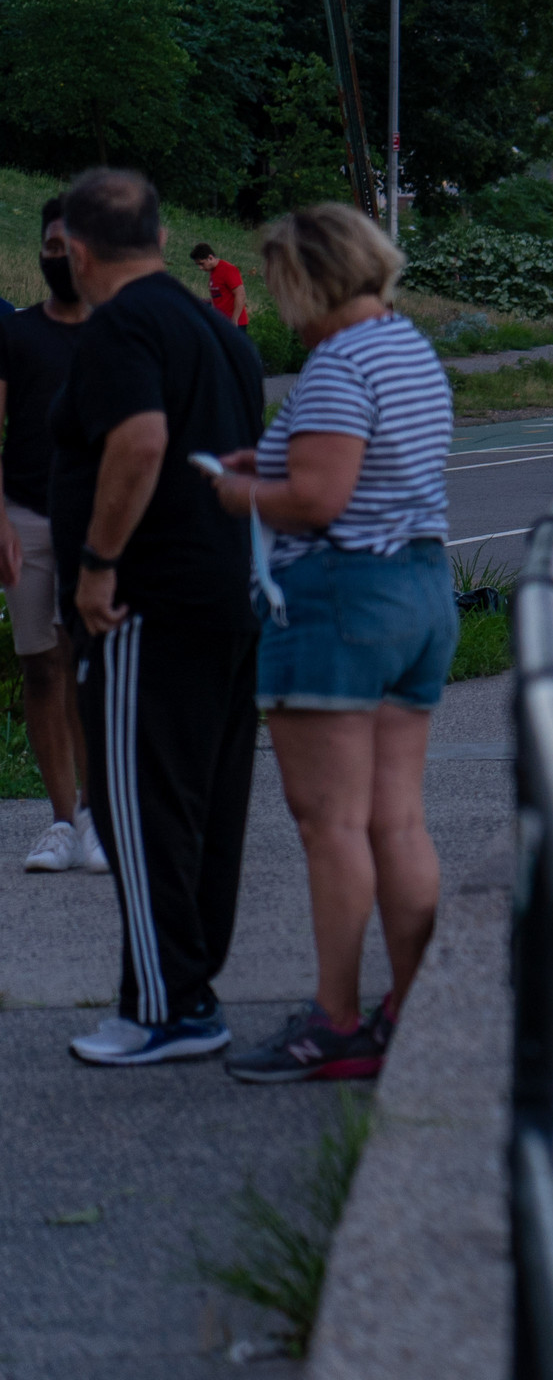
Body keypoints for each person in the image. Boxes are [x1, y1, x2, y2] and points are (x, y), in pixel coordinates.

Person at [208, 205, 455, 1082]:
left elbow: (319, 499)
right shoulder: (408, 349)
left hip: (339, 600)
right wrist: (274, 468)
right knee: (397, 817)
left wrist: (240, 495)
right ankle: (411, 1008)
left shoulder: (339, 363)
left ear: (307, 281)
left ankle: (335, 1018)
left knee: (332, 822)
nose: (281, 309)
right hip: (419, 587)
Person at [54, 168, 267, 1068]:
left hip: (146, 601)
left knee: (140, 808)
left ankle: (163, 1005)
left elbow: (140, 441)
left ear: (75, 249)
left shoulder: (120, 326)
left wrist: (99, 563)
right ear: (165, 236)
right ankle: (191, 984)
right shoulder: (217, 331)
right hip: (226, 593)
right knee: (206, 808)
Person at [5, 198, 102, 876]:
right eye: (50, 246)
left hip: (99, 523)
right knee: (41, 663)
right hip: (27, 515)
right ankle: (62, 819)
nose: (59, 258)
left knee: (90, 665)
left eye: (71, 247)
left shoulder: (117, 332)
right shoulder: (15, 333)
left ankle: (97, 815)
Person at [190, 241, 248, 327]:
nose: (200, 267)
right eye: (198, 264)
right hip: (221, 322)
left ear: (210, 258)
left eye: (202, 263)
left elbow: (241, 294)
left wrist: (235, 319)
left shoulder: (228, 269)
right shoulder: (213, 272)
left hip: (234, 323)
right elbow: (219, 297)